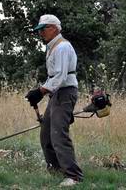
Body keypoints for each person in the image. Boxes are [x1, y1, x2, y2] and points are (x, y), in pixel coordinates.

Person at [25, 14, 83, 187]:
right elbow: (54, 76)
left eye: (44, 29)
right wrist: (41, 90)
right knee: (46, 135)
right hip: (57, 93)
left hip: (65, 93)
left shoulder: (62, 47)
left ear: (55, 28)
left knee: (59, 135)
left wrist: (40, 91)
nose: (41, 33)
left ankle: (74, 176)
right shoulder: (52, 47)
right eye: (39, 30)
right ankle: (56, 171)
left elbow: (61, 75)